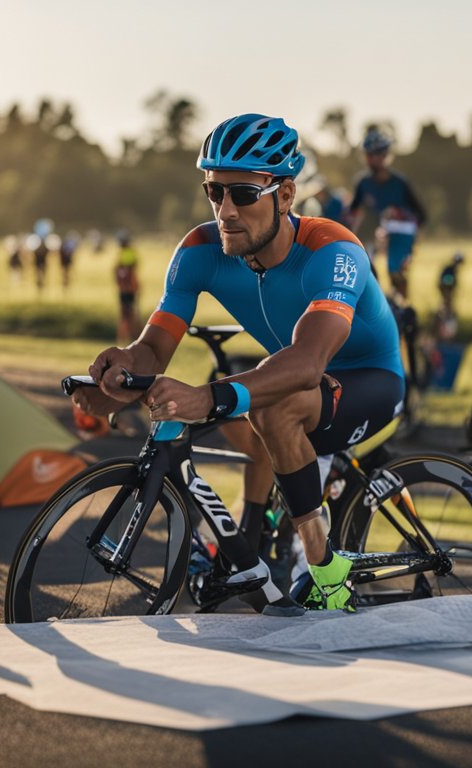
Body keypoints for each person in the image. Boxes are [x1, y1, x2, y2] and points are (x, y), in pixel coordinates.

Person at [73, 113, 405, 614]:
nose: (225, 210)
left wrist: (204, 397)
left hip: (369, 379)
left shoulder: (332, 250)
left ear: (286, 195)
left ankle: (327, 572)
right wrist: (121, 375)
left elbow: (309, 361)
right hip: (297, 375)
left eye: (243, 194)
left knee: (269, 408)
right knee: (248, 413)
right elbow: (153, 348)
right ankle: (257, 536)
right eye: (214, 191)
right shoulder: (200, 250)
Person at [348, 129, 427, 300]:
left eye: (377, 154)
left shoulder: (400, 183)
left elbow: (420, 213)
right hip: (373, 230)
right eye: (368, 154)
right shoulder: (363, 183)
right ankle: (376, 308)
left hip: (401, 231)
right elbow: (352, 212)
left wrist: (411, 231)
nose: (372, 159)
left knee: (395, 272)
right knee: (367, 272)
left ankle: (402, 308)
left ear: (385, 155)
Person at [114, 231, 141, 343]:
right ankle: (129, 336)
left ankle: (126, 336)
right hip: (129, 288)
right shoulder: (130, 252)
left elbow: (119, 271)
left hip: (126, 288)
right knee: (130, 312)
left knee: (126, 313)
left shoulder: (123, 254)